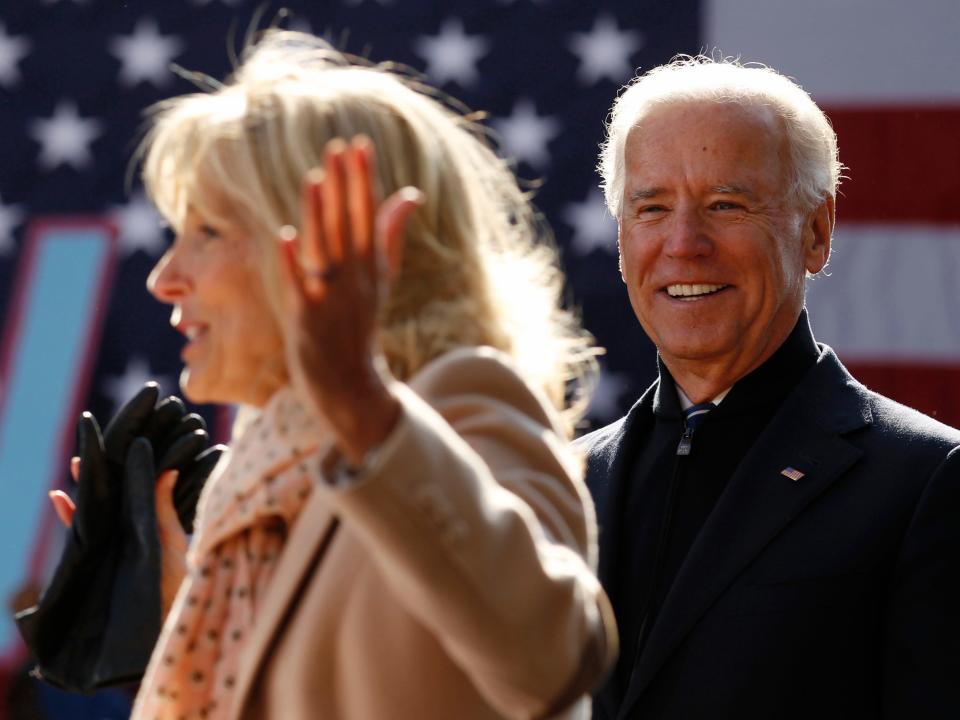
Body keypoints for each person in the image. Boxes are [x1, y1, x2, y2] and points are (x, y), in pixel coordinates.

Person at [91, 29, 613, 720]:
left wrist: (362, 406)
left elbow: (554, 657)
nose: (164, 279)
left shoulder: (454, 405)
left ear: (318, 246)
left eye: (208, 232)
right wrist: (185, 610)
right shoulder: (254, 475)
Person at [581, 55, 960, 719]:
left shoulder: (927, 483)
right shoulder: (560, 482)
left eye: (727, 205)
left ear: (817, 232)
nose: (683, 243)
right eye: (652, 208)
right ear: (620, 240)